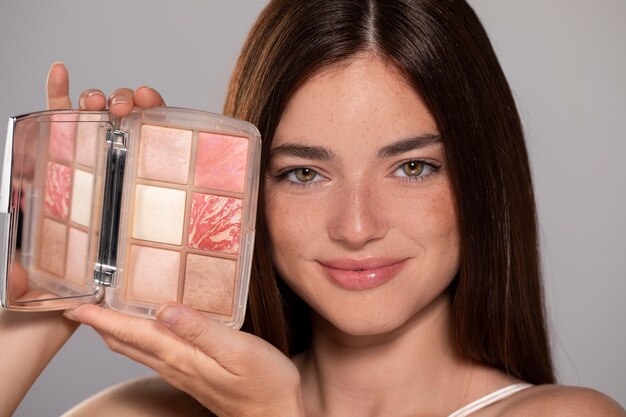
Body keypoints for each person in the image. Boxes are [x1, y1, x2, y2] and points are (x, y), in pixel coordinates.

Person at [1, 1, 625, 416]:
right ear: (246, 192)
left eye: (413, 167)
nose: (356, 227)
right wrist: (54, 282)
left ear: (483, 179)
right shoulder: (140, 413)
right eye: (304, 173)